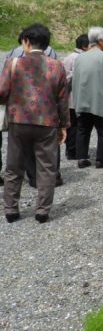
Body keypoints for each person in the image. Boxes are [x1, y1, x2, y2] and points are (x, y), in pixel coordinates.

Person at [0, 23, 68, 223]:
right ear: (46, 45)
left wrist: (13, 100)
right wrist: (64, 125)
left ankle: (11, 210)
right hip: (47, 121)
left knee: (14, 166)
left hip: (18, 120)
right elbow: (63, 99)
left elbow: (2, 93)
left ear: (27, 42)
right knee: (47, 167)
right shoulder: (57, 66)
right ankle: (42, 211)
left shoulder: (13, 63)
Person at [72, 26, 103, 169]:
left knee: (83, 129)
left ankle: (82, 158)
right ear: (101, 40)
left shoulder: (80, 57)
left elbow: (75, 81)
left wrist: (76, 100)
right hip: (100, 101)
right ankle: (100, 159)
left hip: (82, 100)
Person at [60, 33, 90, 160]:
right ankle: (74, 151)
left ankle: (70, 150)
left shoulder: (68, 57)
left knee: (71, 124)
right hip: (76, 97)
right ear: (84, 46)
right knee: (78, 126)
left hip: (68, 97)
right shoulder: (80, 58)